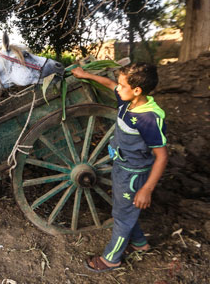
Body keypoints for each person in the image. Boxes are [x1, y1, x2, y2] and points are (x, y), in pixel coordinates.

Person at [71, 62, 168, 272]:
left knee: (122, 216)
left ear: (137, 90)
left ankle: (111, 259)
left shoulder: (147, 118)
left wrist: (147, 189)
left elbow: (161, 157)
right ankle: (140, 244)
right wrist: (84, 74)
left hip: (134, 175)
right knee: (125, 209)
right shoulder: (127, 101)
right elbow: (109, 84)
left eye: (122, 85)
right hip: (121, 167)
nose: (118, 88)